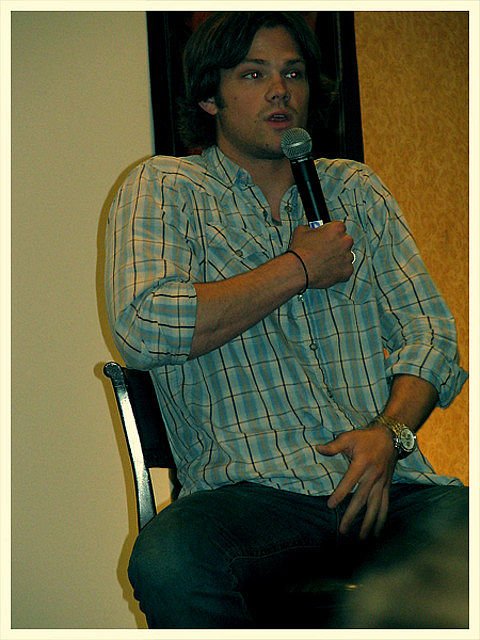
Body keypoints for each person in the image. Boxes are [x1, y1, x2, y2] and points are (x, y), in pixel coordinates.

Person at [104, 11, 468, 629]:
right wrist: (299, 267)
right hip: (248, 500)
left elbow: (431, 334)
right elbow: (145, 327)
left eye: (293, 74)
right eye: (254, 74)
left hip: (386, 484)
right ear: (210, 97)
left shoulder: (355, 189)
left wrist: (391, 435)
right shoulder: (165, 187)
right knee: (169, 560)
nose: (280, 90)